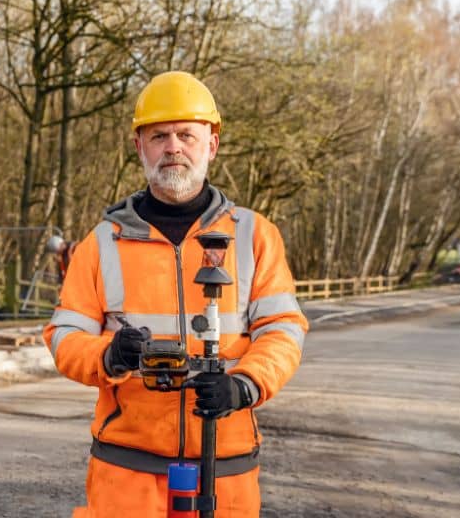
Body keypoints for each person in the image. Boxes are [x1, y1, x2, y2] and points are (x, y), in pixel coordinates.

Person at [43, 71, 308, 518]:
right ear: (138, 146)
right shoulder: (102, 243)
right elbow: (64, 334)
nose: (173, 147)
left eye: (187, 134)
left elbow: (283, 331)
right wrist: (109, 357)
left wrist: (243, 386)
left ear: (212, 143)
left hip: (225, 469)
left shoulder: (254, 236)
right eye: (159, 135)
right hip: (127, 472)